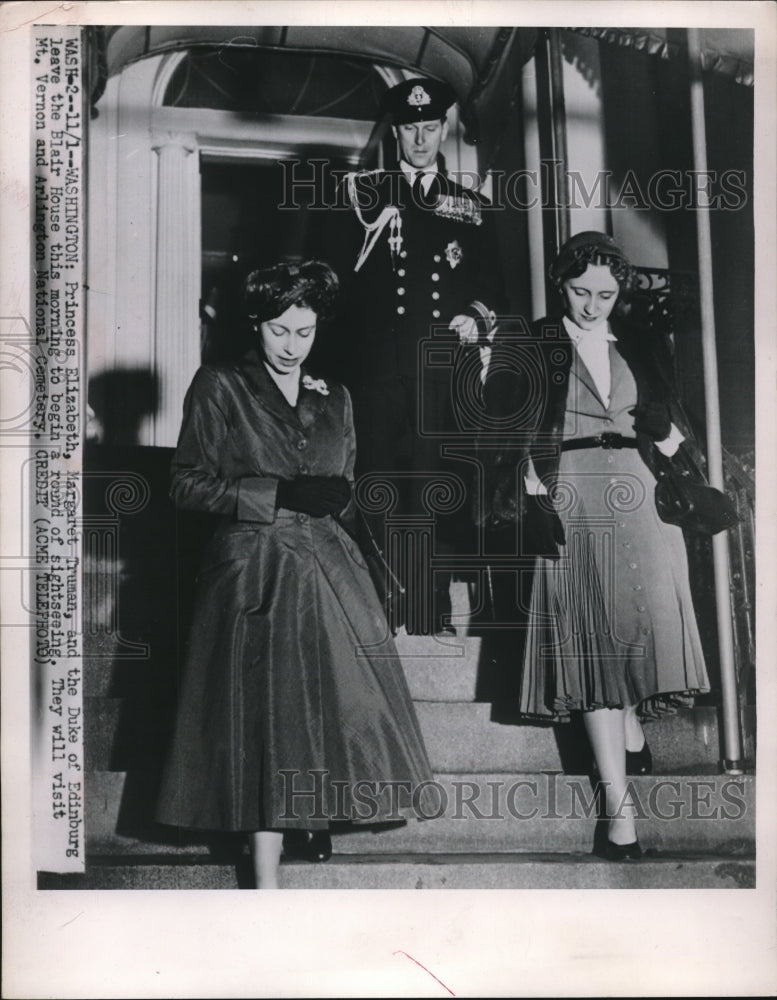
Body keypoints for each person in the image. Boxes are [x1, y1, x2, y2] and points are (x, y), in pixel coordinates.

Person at [155, 260, 434, 888]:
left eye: (304, 333)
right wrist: (276, 493)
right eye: (279, 331)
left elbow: (348, 485)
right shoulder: (221, 384)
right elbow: (185, 483)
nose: (290, 346)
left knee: (333, 709)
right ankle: (265, 880)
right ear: (256, 324)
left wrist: (350, 517)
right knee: (265, 717)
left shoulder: (336, 395)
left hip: (331, 570)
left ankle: (313, 814)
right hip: (255, 570)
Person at [482, 231, 710, 859]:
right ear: (562, 284)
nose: (591, 304)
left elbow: (672, 433)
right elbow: (506, 424)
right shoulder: (531, 339)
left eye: (605, 294)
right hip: (571, 491)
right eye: (581, 291)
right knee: (592, 651)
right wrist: (531, 491)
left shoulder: (639, 340)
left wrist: (665, 436)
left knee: (639, 618)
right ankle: (619, 814)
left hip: (641, 493)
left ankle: (632, 725)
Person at [334, 77, 506, 635]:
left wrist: (474, 317)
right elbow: (338, 286)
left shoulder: (471, 205)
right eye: (410, 129)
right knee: (378, 480)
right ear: (396, 131)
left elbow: (496, 288)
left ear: (444, 129)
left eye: (430, 128)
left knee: (431, 484)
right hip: (378, 370)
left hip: (440, 367)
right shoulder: (365, 194)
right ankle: (381, 602)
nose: (421, 139)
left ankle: (427, 605)